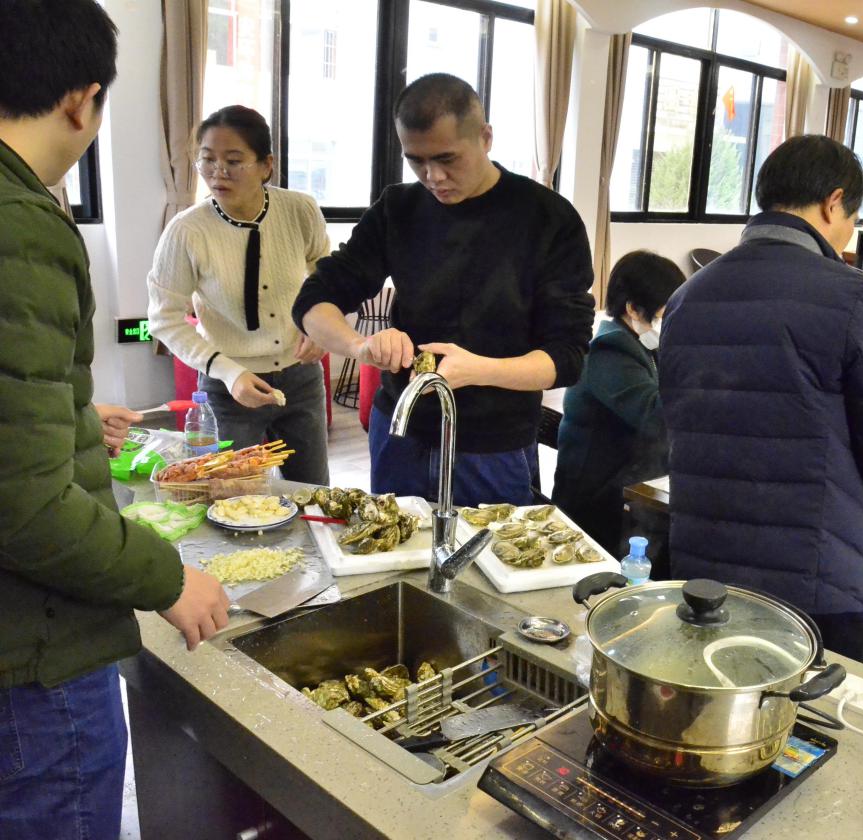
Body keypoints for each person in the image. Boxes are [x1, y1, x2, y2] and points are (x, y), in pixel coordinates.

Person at [0, 2, 229, 836]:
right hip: (35, 651)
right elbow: (22, 505)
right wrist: (165, 577)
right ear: (82, 101)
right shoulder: (22, 226)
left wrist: (63, 412)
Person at [658, 135, 863, 664]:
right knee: (811, 713)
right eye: (853, 218)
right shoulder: (851, 296)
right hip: (814, 580)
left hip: (703, 571)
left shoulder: (687, 297)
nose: (848, 233)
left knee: (718, 703)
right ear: (833, 201)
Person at [293, 73, 593, 506]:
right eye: (416, 160)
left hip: (492, 444)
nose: (433, 176)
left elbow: (567, 357)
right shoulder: (399, 209)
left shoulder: (547, 218)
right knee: (395, 545)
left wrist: (478, 369)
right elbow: (315, 298)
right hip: (401, 432)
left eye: (447, 158)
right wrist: (360, 346)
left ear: (485, 138)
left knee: (483, 549)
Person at [147, 105, 331, 484]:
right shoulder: (187, 231)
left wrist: (321, 327)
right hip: (228, 387)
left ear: (266, 166)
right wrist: (229, 374)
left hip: (300, 378)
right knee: (228, 496)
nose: (218, 172)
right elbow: (164, 320)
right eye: (207, 159)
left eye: (233, 161)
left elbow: (328, 276)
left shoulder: (300, 210)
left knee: (312, 491)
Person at [553, 250, 685, 555]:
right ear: (634, 309)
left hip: (625, 483)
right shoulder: (609, 351)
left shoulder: (641, 345)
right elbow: (656, 416)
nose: (673, 323)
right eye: (667, 314)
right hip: (595, 502)